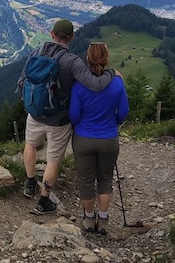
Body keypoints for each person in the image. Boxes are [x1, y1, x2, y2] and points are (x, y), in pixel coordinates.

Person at [18, 19, 118, 215]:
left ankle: (30, 183)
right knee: (52, 160)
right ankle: (44, 201)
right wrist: (111, 73)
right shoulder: (72, 61)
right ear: (71, 37)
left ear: (51, 33)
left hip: (35, 113)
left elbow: (22, 81)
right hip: (59, 120)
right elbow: (95, 85)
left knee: (30, 145)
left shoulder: (35, 52)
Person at [69, 42, 129, 234]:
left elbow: (74, 115)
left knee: (86, 181)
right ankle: (103, 219)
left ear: (87, 59)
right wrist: (112, 122)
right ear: (106, 59)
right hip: (108, 138)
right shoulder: (117, 83)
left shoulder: (79, 85)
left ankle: (88, 218)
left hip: (83, 139)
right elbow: (124, 112)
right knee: (105, 179)